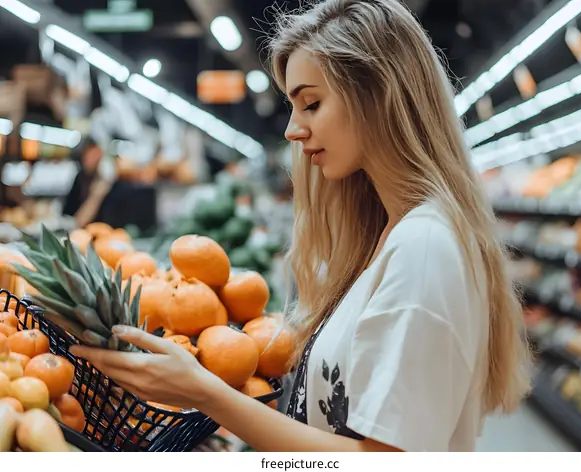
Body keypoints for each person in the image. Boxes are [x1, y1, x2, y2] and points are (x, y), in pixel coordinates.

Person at [70, 0, 533, 452]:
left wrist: (207, 394)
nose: (292, 129)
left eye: (311, 104)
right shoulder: (390, 237)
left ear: (377, 94)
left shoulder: (424, 249)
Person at [62, 137, 112, 228]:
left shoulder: (110, 180)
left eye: (88, 154)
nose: (85, 160)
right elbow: (70, 215)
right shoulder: (80, 177)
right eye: (83, 156)